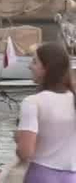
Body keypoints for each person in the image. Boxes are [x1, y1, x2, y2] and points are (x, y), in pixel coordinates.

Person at [15, 42, 76, 181]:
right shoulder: (73, 99)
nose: (29, 66)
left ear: (46, 68)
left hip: (41, 175)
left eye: (35, 62)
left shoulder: (32, 102)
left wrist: (19, 141)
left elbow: (26, 152)